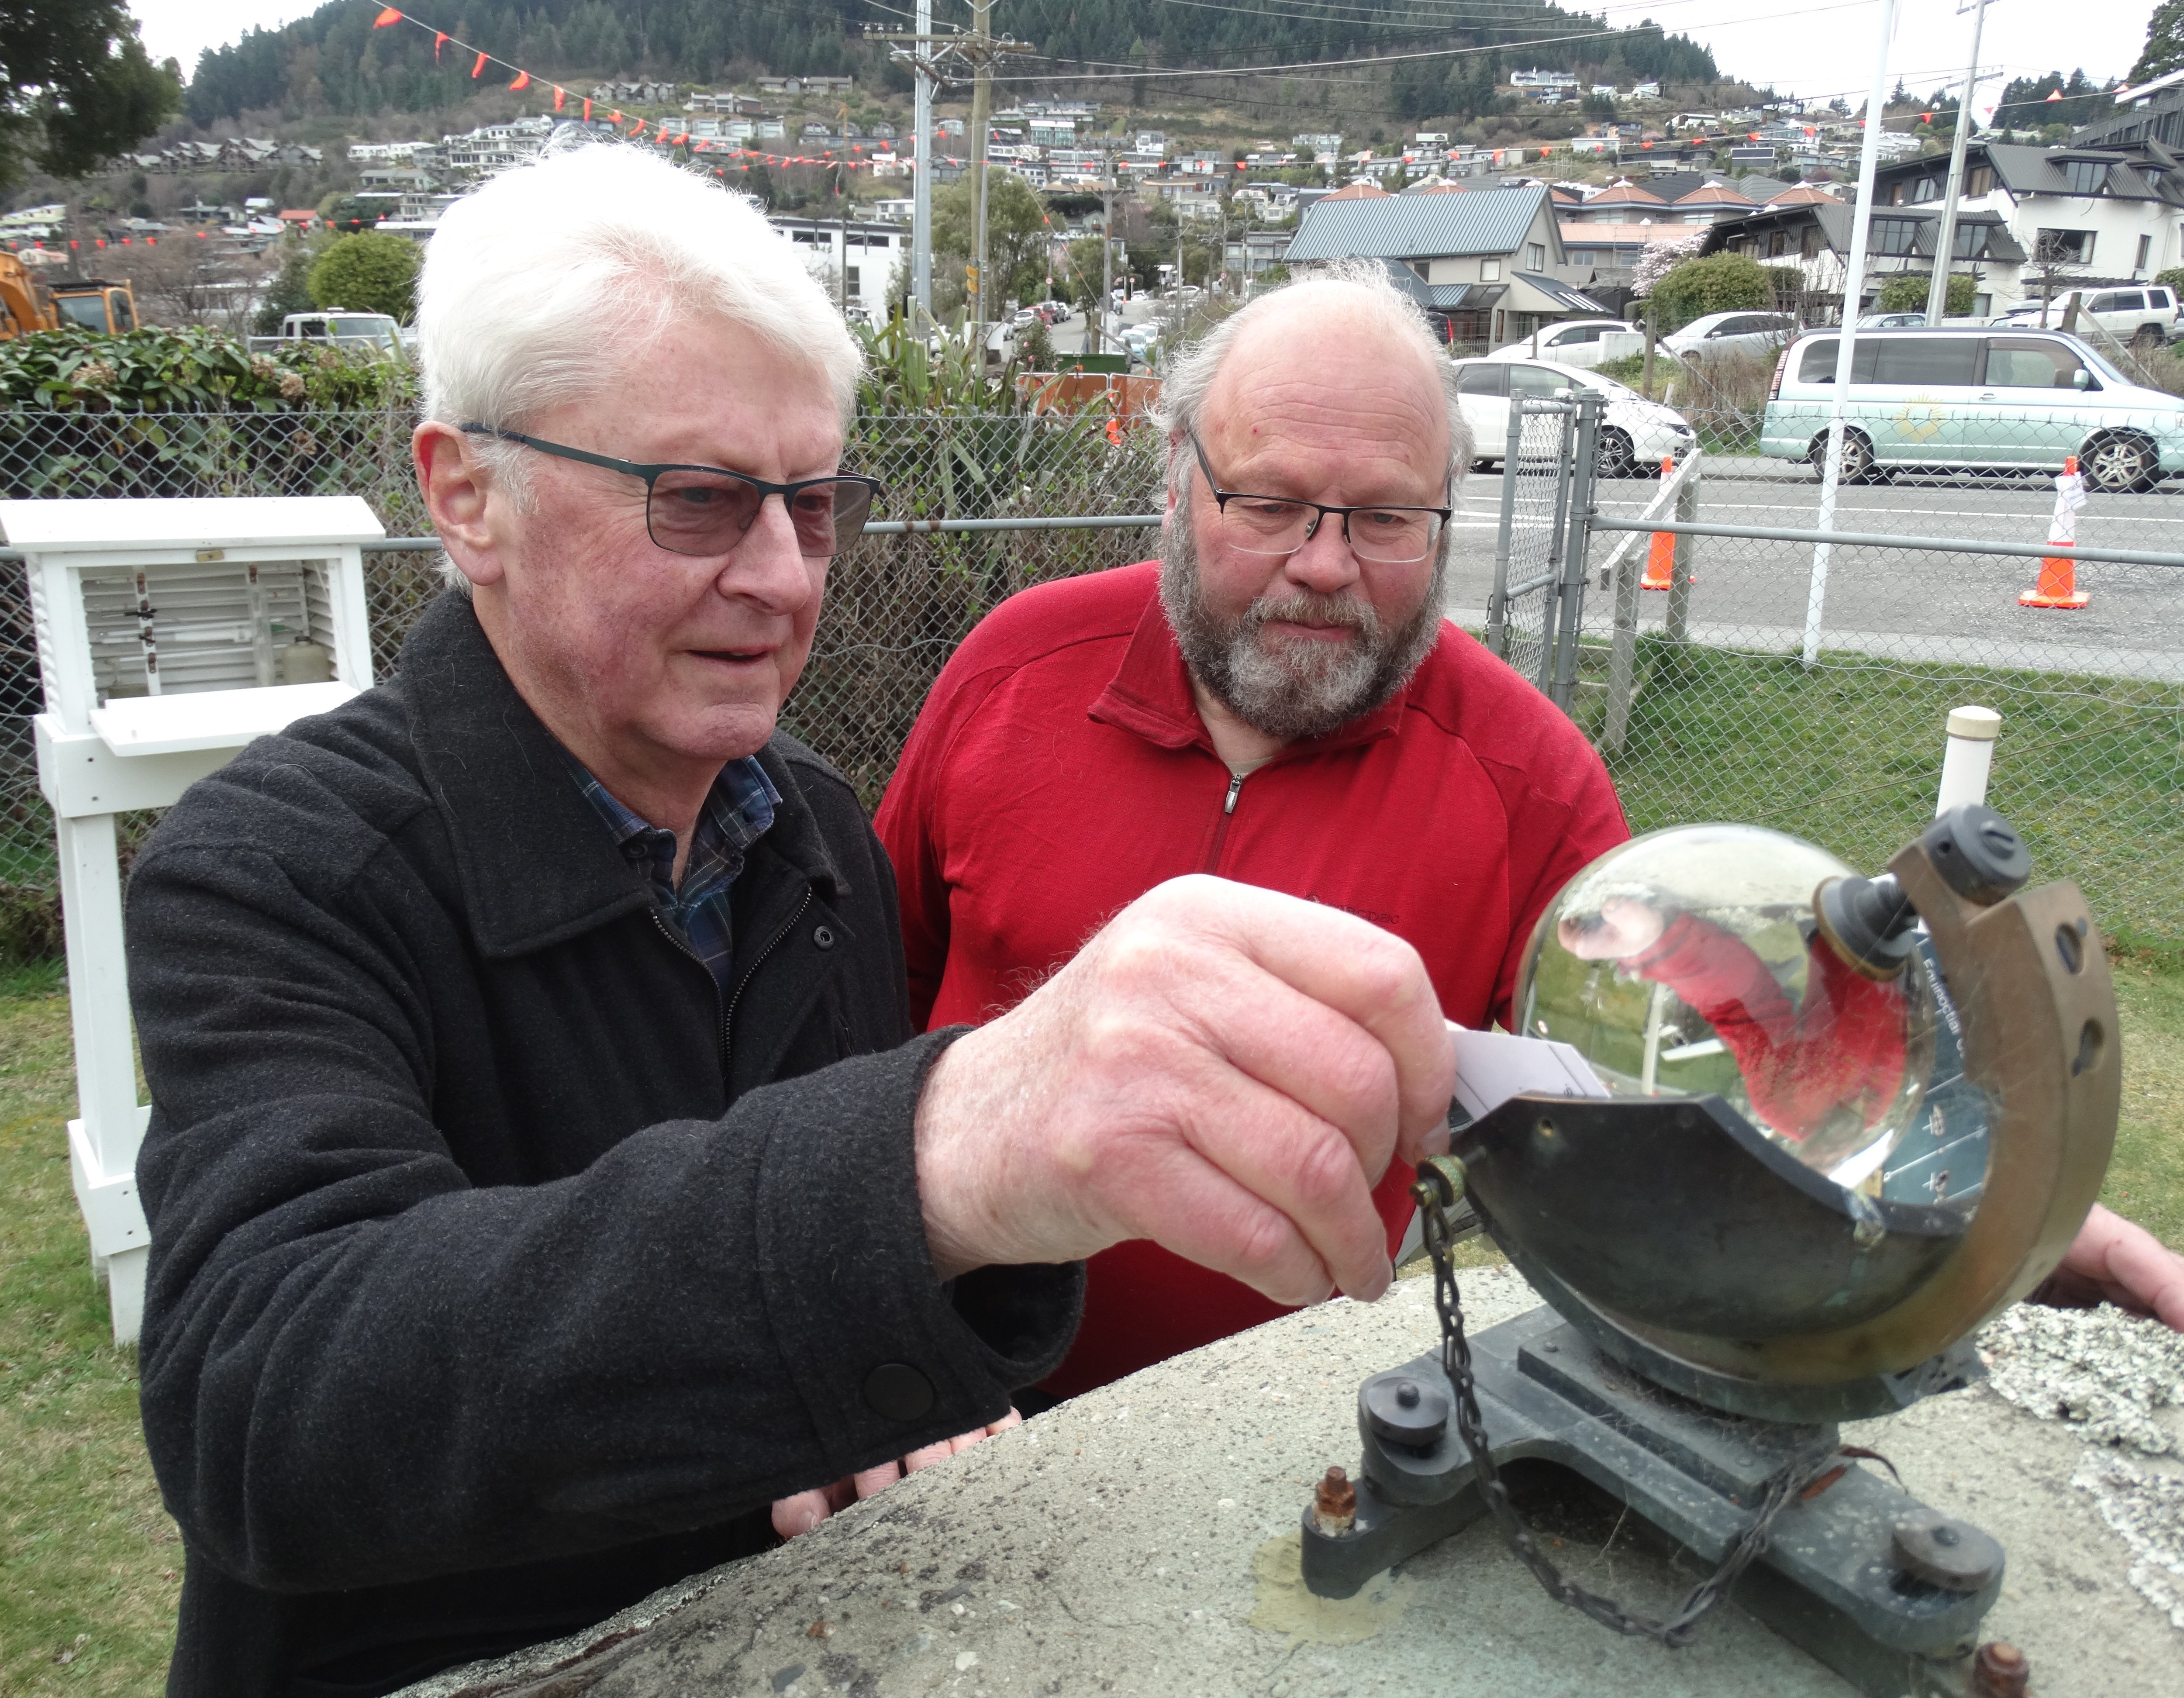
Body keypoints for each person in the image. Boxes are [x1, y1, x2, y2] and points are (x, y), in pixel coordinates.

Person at [125, 149, 1455, 1698]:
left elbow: (813, 1295)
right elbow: (266, 1401)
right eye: (695, 502)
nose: (778, 575)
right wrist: (939, 1153)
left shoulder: (808, 825)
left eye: (812, 504)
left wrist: (893, 1377)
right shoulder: (271, 867)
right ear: (465, 494)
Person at [873, 268, 2184, 1406]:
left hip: (1255, 1450)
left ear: (1447, 516)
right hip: (930, 1399)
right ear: (1179, 481)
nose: (1327, 561)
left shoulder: (1528, 783)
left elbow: (1691, 1099)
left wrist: (2027, 1228)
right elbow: (852, 1019)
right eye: (1272, 502)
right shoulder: (1011, 671)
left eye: (1388, 517)